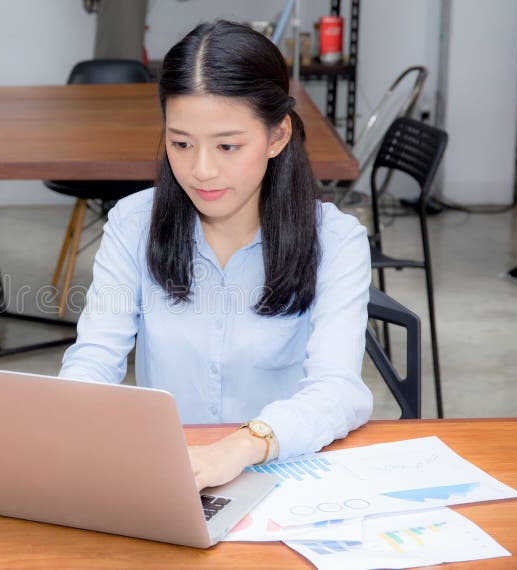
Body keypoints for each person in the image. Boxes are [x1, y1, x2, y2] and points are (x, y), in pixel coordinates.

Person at [59, 20, 372, 491]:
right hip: (165, 477)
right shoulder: (133, 224)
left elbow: (338, 390)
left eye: (228, 146)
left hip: (284, 474)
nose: (201, 171)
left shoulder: (336, 241)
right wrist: (68, 419)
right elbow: (94, 359)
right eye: (180, 143)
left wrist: (241, 447)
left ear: (277, 136)